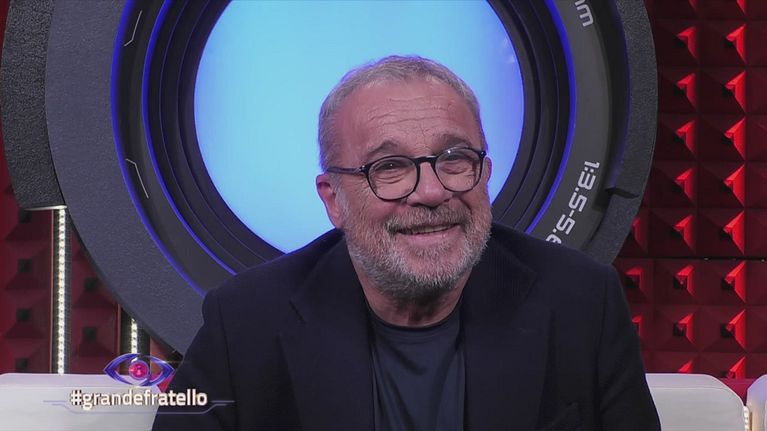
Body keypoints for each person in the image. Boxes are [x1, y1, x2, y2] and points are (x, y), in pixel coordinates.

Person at [152, 55, 660, 431]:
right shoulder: (246, 321)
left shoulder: (582, 302)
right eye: (390, 167)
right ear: (333, 200)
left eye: (454, 158)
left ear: (485, 172)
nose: (432, 192)